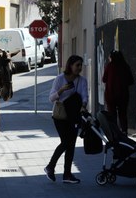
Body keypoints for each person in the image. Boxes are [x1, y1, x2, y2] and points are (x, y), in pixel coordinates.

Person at [45, 55, 88, 184]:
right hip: (61, 116)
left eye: (81, 65)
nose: (79, 68)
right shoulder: (59, 79)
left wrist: (83, 106)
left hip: (74, 116)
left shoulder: (82, 81)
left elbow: (85, 96)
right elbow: (51, 98)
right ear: (70, 65)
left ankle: (67, 174)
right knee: (66, 142)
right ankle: (50, 167)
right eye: (77, 65)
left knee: (71, 145)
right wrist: (61, 90)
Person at [102, 50, 134, 135]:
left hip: (110, 95)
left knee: (112, 115)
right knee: (123, 114)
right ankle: (124, 131)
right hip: (123, 95)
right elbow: (131, 80)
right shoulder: (125, 66)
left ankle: (114, 132)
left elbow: (104, 79)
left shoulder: (109, 66)